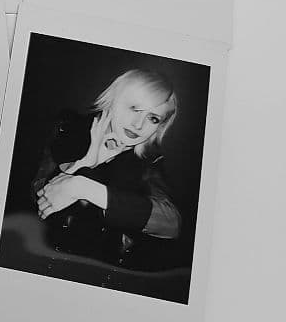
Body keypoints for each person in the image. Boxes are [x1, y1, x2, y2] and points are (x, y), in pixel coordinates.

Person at [30, 69, 183, 271]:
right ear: (114, 99)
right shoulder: (68, 128)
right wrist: (87, 162)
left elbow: (171, 224)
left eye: (153, 118)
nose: (138, 124)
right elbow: (38, 198)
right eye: (134, 108)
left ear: (159, 127)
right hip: (41, 257)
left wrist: (83, 187)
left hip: (99, 270)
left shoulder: (149, 162)